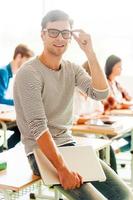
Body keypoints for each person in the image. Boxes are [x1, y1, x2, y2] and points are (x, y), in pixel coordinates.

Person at [13, 10, 133, 200]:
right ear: (42, 34)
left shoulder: (72, 69)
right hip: (40, 154)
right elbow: (38, 127)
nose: (59, 38)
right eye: (53, 32)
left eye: (65, 33)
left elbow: (100, 93)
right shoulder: (29, 73)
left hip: (70, 146)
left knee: (124, 194)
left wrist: (90, 52)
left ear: (70, 37)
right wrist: (63, 169)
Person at [73, 61, 118, 173]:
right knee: (102, 149)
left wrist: (88, 117)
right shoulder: (72, 93)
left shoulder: (92, 92)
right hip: (77, 137)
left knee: (108, 147)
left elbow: (100, 110)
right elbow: (74, 119)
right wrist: (89, 117)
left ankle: (110, 180)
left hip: (91, 134)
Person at [0, 44, 34, 149]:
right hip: (3, 116)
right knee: (23, 129)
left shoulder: (12, 74)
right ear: (19, 56)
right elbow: (0, 99)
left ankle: (2, 151)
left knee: (25, 129)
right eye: (27, 61)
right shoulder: (3, 72)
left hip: (6, 113)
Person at [103, 55, 132, 153]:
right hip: (113, 119)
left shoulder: (116, 84)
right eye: (119, 66)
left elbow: (128, 98)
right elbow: (114, 105)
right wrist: (126, 104)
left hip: (122, 117)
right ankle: (113, 151)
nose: (121, 69)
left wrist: (126, 103)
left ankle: (115, 150)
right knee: (130, 138)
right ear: (111, 67)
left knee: (130, 139)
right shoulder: (105, 84)